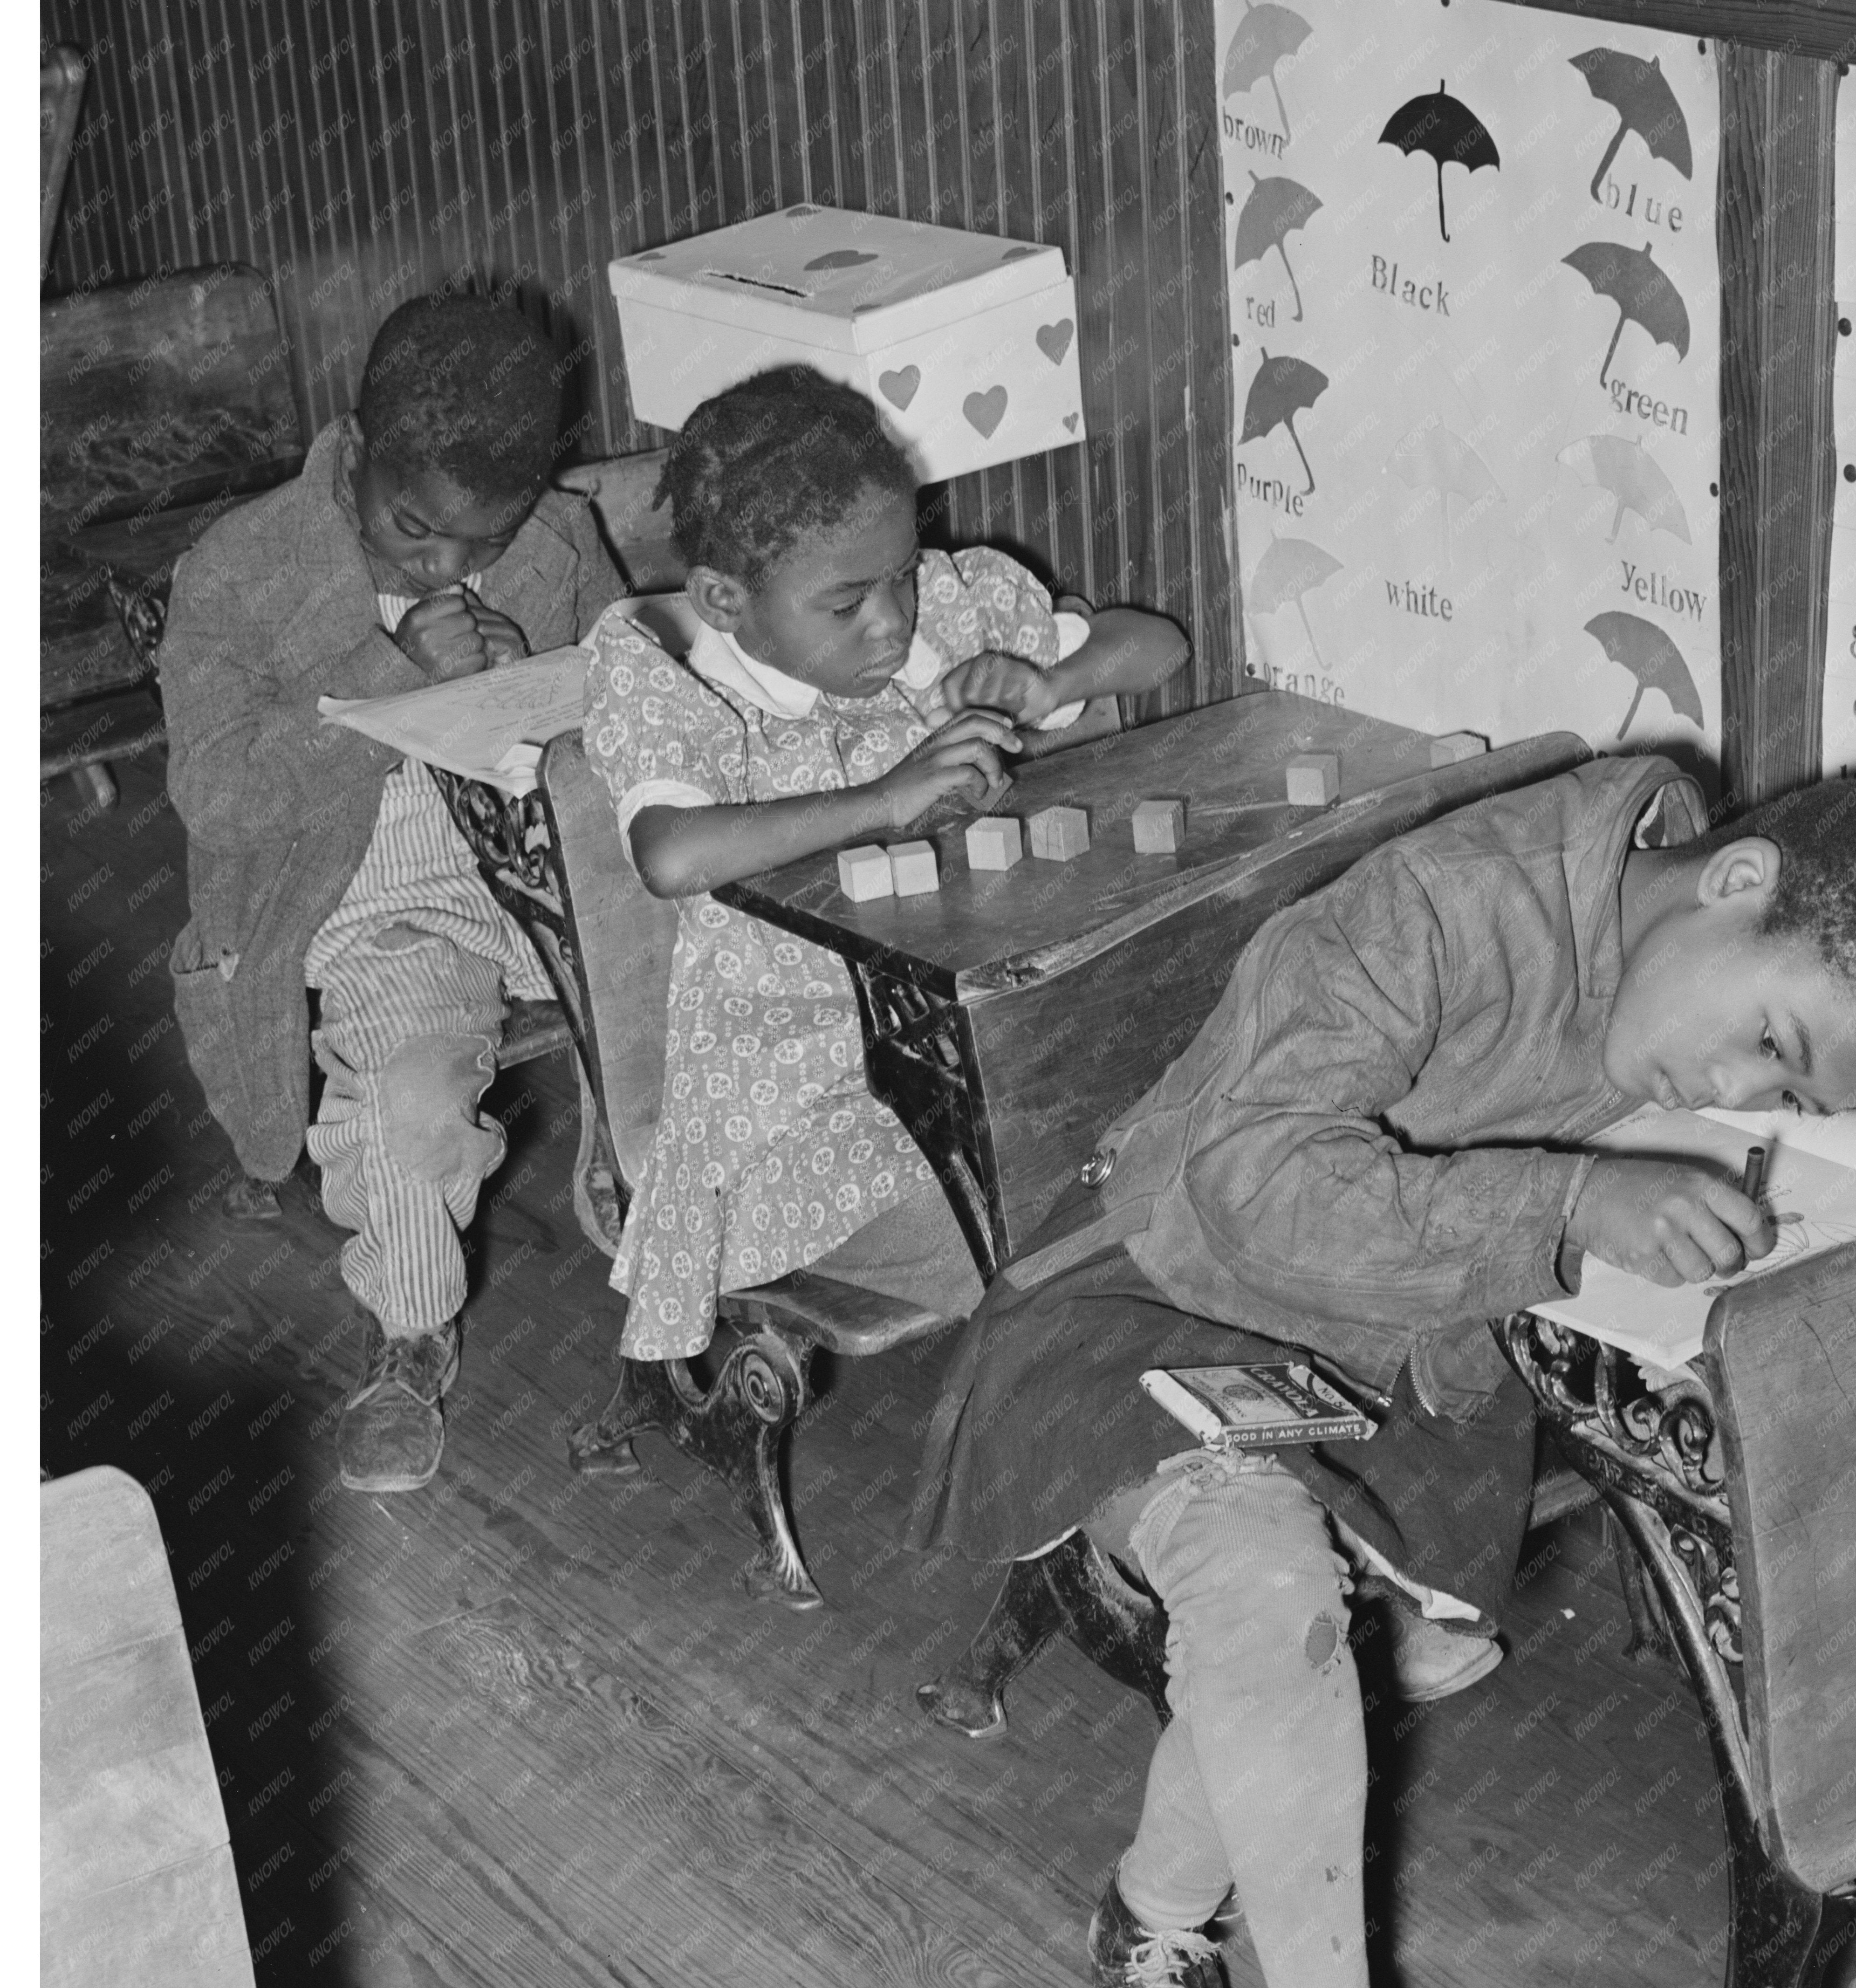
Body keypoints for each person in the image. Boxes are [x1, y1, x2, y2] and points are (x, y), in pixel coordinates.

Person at [905, 752, 1856, 1988]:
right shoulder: (1439, 912)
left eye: (1783, 1095)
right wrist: (1579, 1199)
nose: (1736, 1092)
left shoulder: (1760, 948)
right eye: (1766, 1052)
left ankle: (1149, 1935)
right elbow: (1247, 1183)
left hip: (1393, 1357)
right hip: (1159, 1285)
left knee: (1276, 1636)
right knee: (1264, 1571)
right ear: (1736, 883)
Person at [575, 363, 1187, 1385]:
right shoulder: (662, 664)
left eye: (902, 572)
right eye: (848, 603)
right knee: (1056, 1211)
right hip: (808, 1104)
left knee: (1175, 1130)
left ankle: (1173, 1436)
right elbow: (672, 852)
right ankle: (1112, 1457)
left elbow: (1154, 646)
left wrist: (1054, 678)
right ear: (726, 599)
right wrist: (887, 800)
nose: (894, 622)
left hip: (991, 1034)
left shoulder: (946, 608)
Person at [162, 293, 624, 1494]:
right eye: (415, 528)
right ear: (355, 450)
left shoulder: (554, 543)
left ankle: (713, 1267)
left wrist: (545, 696)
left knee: (738, 968)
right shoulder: (243, 566)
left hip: (543, 879)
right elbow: (217, 793)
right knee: (415, 1104)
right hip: (371, 909)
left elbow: (618, 716)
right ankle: (412, 1335)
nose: (448, 566)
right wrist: (392, 676)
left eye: (484, 540)